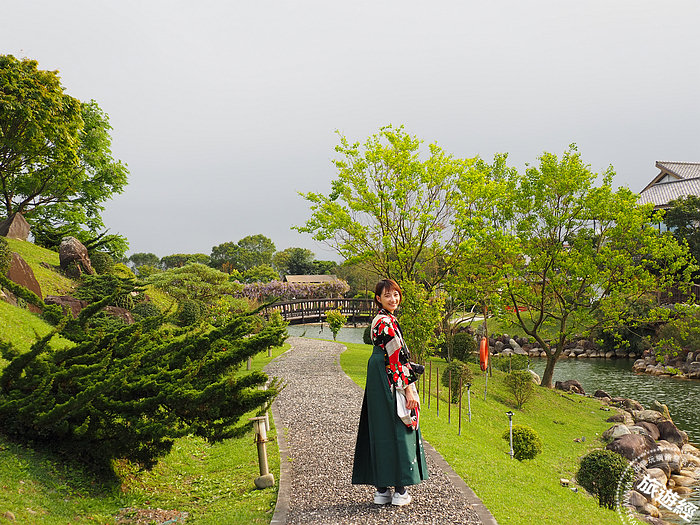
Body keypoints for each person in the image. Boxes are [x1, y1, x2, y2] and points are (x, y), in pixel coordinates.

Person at [351, 278, 428, 506]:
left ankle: (382, 490)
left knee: (380, 428)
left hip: (377, 374)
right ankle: (400, 490)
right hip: (389, 375)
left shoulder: (379, 319)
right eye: (387, 295)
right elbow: (396, 360)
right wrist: (409, 390)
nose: (393, 299)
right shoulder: (388, 323)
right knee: (399, 424)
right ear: (378, 299)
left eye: (395, 294)